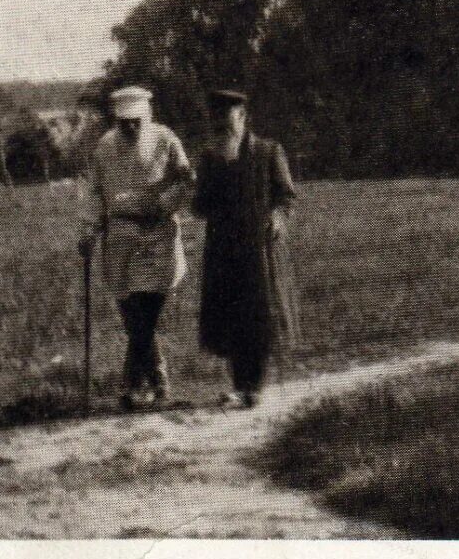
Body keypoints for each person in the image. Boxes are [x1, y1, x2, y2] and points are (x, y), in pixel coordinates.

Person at [79, 86, 196, 409]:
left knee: (148, 313)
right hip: (120, 234)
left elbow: (188, 180)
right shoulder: (104, 148)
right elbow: (94, 193)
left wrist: (166, 202)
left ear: (148, 116)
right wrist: (90, 230)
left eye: (136, 121)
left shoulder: (166, 140)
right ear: (116, 120)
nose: (130, 128)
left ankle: (137, 384)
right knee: (133, 315)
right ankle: (155, 382)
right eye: (124, 122)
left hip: (158, 235)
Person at [192, 89, 302, 407]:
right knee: (229, 317)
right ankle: (241, 385)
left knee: (259, 316)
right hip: (223, 251)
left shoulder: (268, 152)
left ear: (242, 117)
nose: (221, 128)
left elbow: (287, 197)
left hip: (259, 251)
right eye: (216, 122)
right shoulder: (210, 158)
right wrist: (201, 185)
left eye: (226, 121)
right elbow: (200, 207)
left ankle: (252, 386)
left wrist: (278, 218)